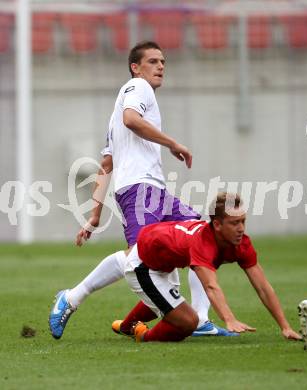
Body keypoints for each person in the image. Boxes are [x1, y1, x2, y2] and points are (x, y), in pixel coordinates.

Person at [49, 41, 231, 339]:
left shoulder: (119, 108)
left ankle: (201, 319)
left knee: (203, 235)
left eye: (163, 62)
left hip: (151, 189)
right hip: (139, 189)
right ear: (136, 67)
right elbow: (131, 120)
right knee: (138, 257)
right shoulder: (138, 88)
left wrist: (95, 215)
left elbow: (106, 164)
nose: (161, 66)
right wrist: (173, 143)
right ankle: (71, 298)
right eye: (154, 61)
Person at [111, 192, 302, 342]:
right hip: (142, 265)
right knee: (188, 322)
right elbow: (210, 285)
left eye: (243, 221)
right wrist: (229, 319)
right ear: (217, 225)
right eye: (235, 223)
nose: (241, 228)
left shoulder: (242, 243)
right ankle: (143, 335)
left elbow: (262, 286)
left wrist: (285, 326)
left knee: (168, 301)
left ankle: (126, 326)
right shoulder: (203, 243)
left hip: (164, 261)